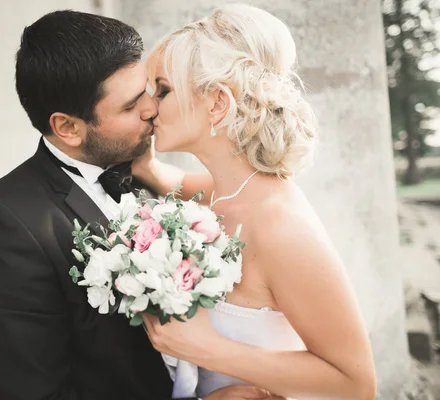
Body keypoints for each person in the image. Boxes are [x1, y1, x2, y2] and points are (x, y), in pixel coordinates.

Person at [0, 9, 273, 400]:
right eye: (130, 106)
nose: (152, 109)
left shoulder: (140, 172)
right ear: (68, 127)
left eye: (150, 90)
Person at [133, 4, 377, 399]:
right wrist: (146, 167)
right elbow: (172, 180)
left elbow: (356, 384)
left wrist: (204, 349)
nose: (147, 107)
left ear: (217, 103)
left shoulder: (280, 226)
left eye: (162, 89)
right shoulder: (223, 193)